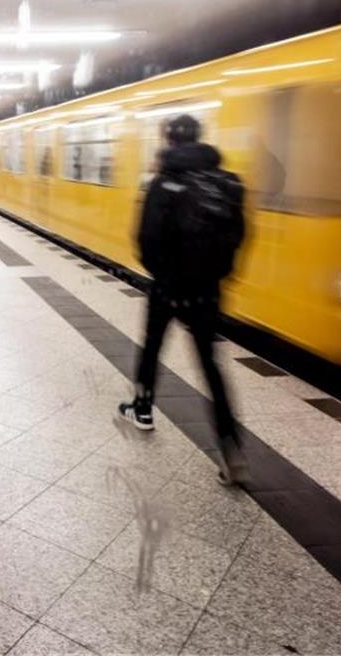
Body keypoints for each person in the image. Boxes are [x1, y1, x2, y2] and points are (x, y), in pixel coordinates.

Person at [117, 115, 247, 485]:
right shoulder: (229, 183)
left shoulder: (164, 181)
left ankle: (142, 409)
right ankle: (230, 445)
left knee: (153, 347)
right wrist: (214, 277)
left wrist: (165, 276)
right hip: (207, 290)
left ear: (169, 140)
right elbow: (239, 236)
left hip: (168, 288)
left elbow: (145, 239)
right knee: (210, 366)